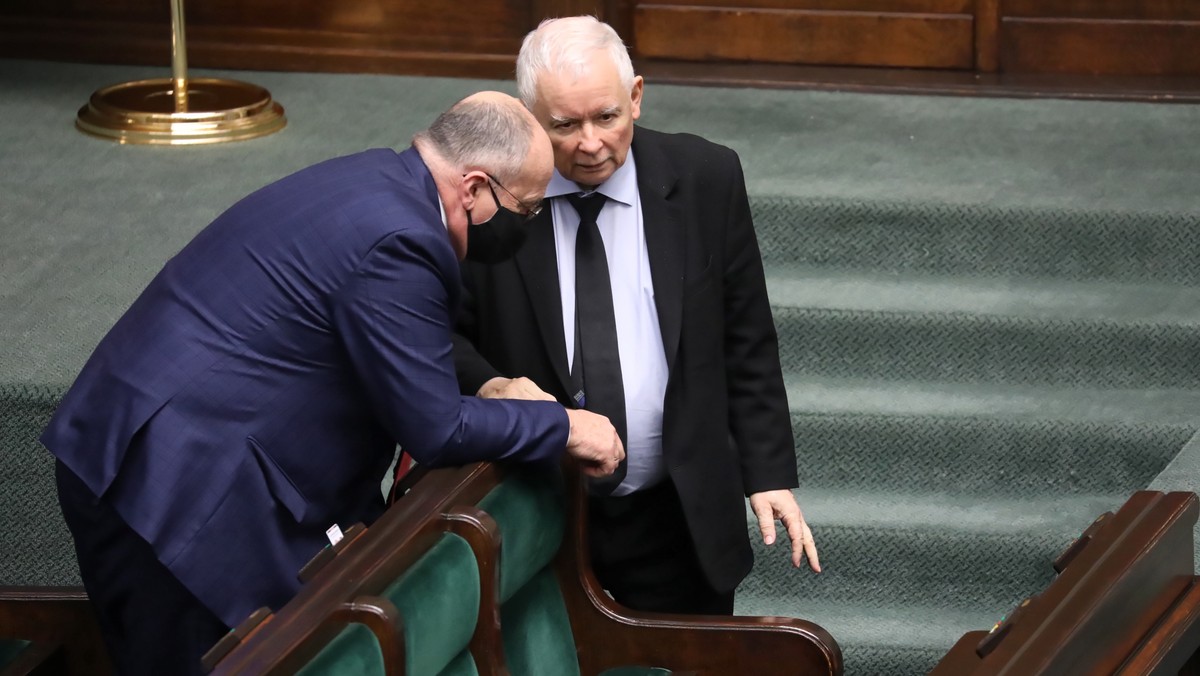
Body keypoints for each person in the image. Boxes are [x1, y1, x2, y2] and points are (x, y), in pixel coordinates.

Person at [41, 91, 624, 675]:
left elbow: (394, 351)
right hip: (165, 483)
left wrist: (492, 390)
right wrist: (564, 425)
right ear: (472, 188)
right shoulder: (402, 240)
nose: (527, 224)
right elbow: (438, 429)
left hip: (166, 444)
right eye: (524, 210)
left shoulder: (378, 181)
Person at [454, 16, 821, 617]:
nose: (590, 143)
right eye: (564, 125)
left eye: (607, 117)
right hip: (535, 511)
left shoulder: (706, 178)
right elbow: (442, 335)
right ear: (529, 117)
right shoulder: (485, 197)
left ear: (637, 97)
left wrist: (766, 472)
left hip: (676, 516)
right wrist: (494, 386)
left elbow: (745, 336)